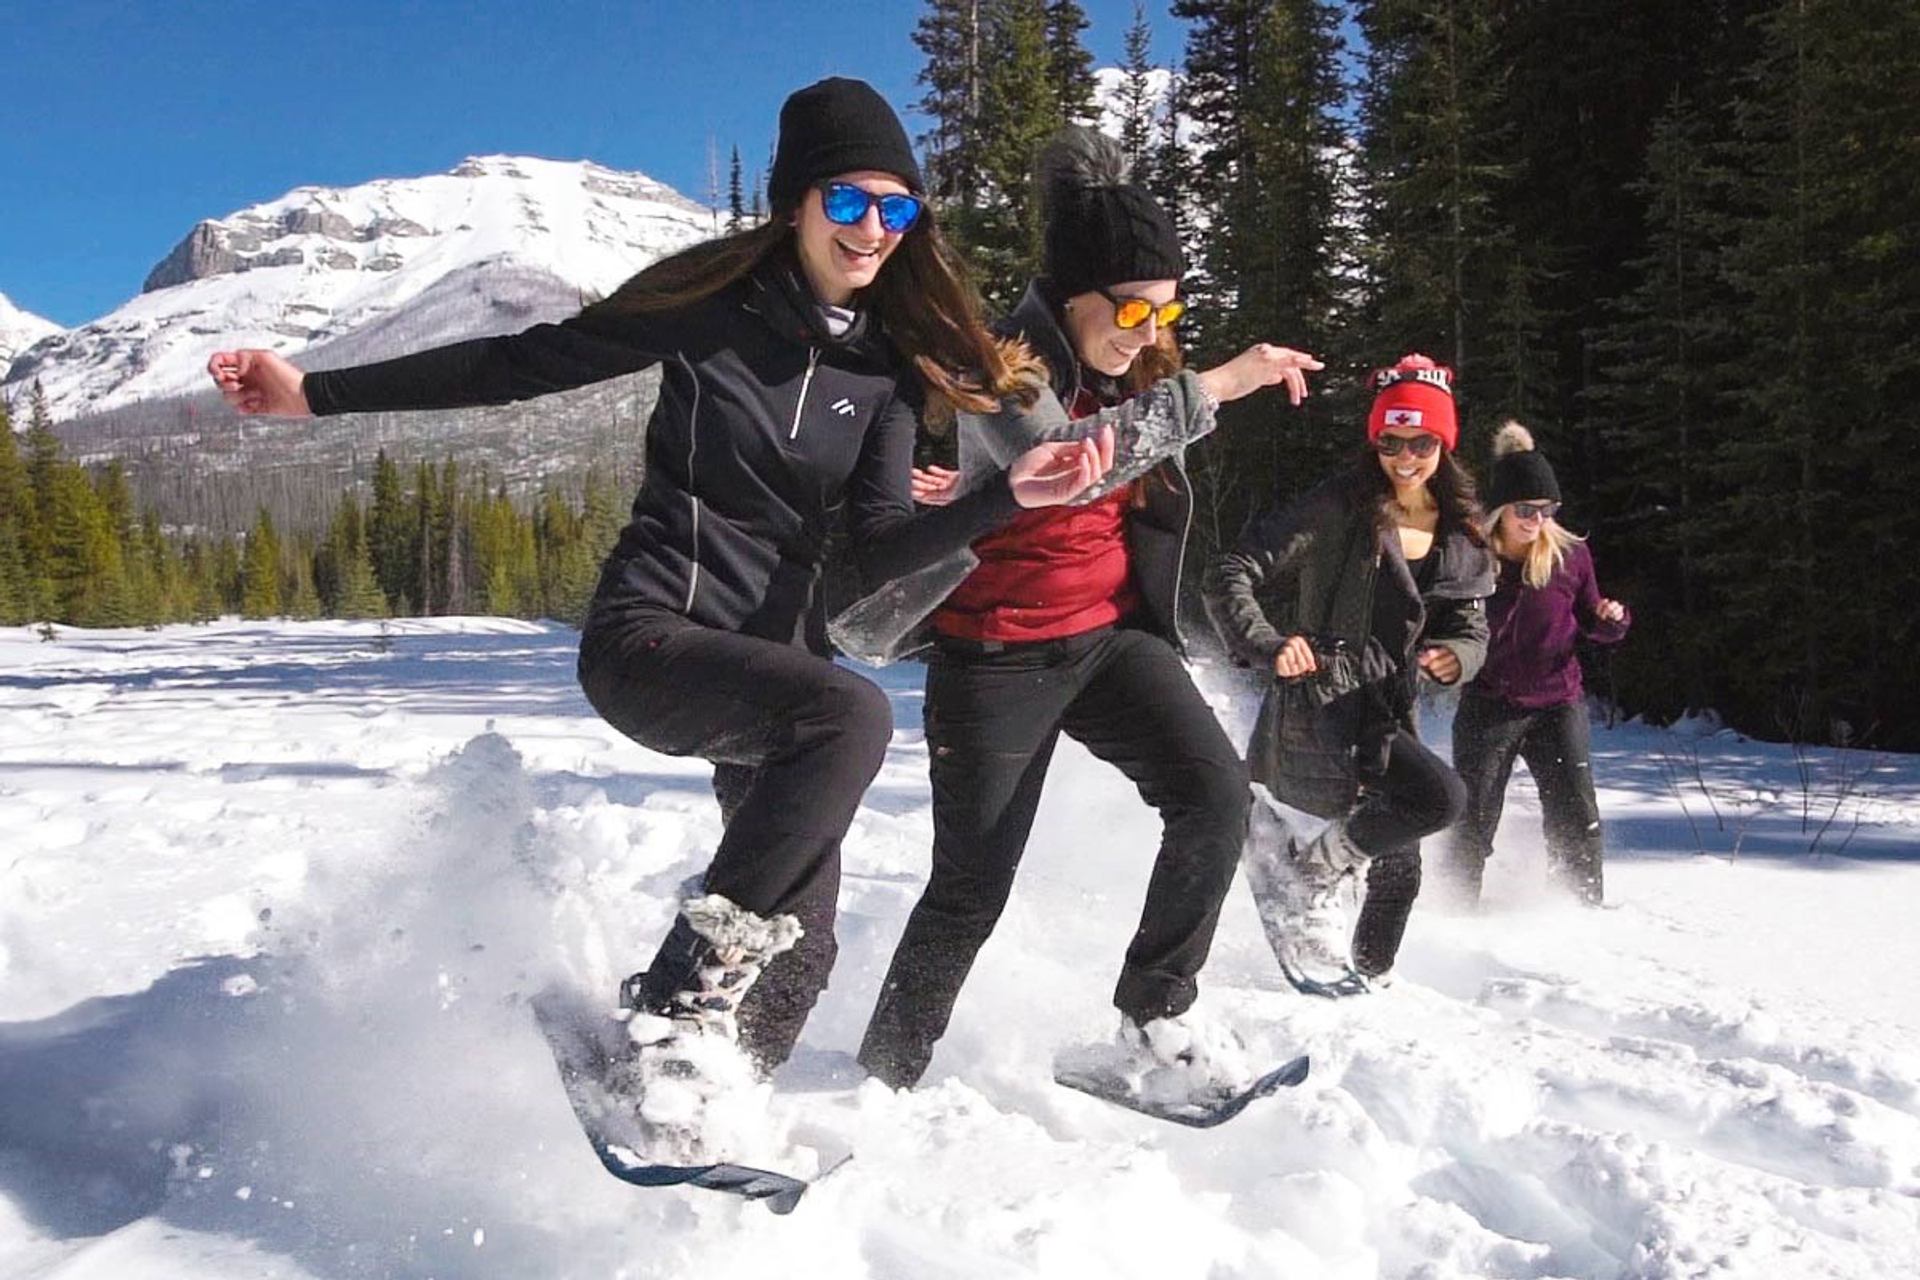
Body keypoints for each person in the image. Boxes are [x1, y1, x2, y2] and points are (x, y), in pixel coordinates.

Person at [207, 77, 1115, 1155]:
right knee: (852, 716)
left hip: (774, 682)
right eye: (847, 201)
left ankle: (691, 1122)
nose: (873, 229)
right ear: (795, 204)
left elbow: (875, 548)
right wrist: (314, 392)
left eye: (895, 207)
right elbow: (514, 365)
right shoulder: (715, 311)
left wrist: (1006, 498)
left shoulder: (881, 369)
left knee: (802, 957)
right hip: (655, 638)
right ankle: (675, 1017)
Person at [835, 125, 1323, 1091]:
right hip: (995, 656)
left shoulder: (1138, 361)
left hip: (1106, 640)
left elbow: (1131, 453)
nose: (1149, 330)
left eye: (1167, 309)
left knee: (1215, 798)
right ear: (1071, 295)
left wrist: (1175, 383)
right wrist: (1222, 384)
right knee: (971, 890)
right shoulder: (1003, 361)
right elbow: (1072, 459)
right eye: (1133, 308)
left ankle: (1155, 1014)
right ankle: (881, 1078)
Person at [1203, 354, 1494, 994]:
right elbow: (1230, 572)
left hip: (1390, 705)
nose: (1405, 458)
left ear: (1444, 443)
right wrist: (1268, 642)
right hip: (1325, 699)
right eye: (1391, 442)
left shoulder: (1462, 531)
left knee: (1402, 871)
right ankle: (1310, 871)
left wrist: (1457, 656)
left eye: (1421, 443)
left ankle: (1368, 979)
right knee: (1439, 798)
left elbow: (1470, 625)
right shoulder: (1339, 505)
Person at [1439, 422, 1630, 907]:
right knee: (1473, 817)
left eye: (1547, 510)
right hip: (1489, 704)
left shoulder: (1571, 556)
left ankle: (1581, 909)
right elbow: (1442, 619)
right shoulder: (1472, 556)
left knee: (1576, 814)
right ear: (1501, 510)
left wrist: (1612, 621)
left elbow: (1592, 619)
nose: (1537, 520)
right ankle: (1455, 911)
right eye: (1525, 510)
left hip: (1557, 704)